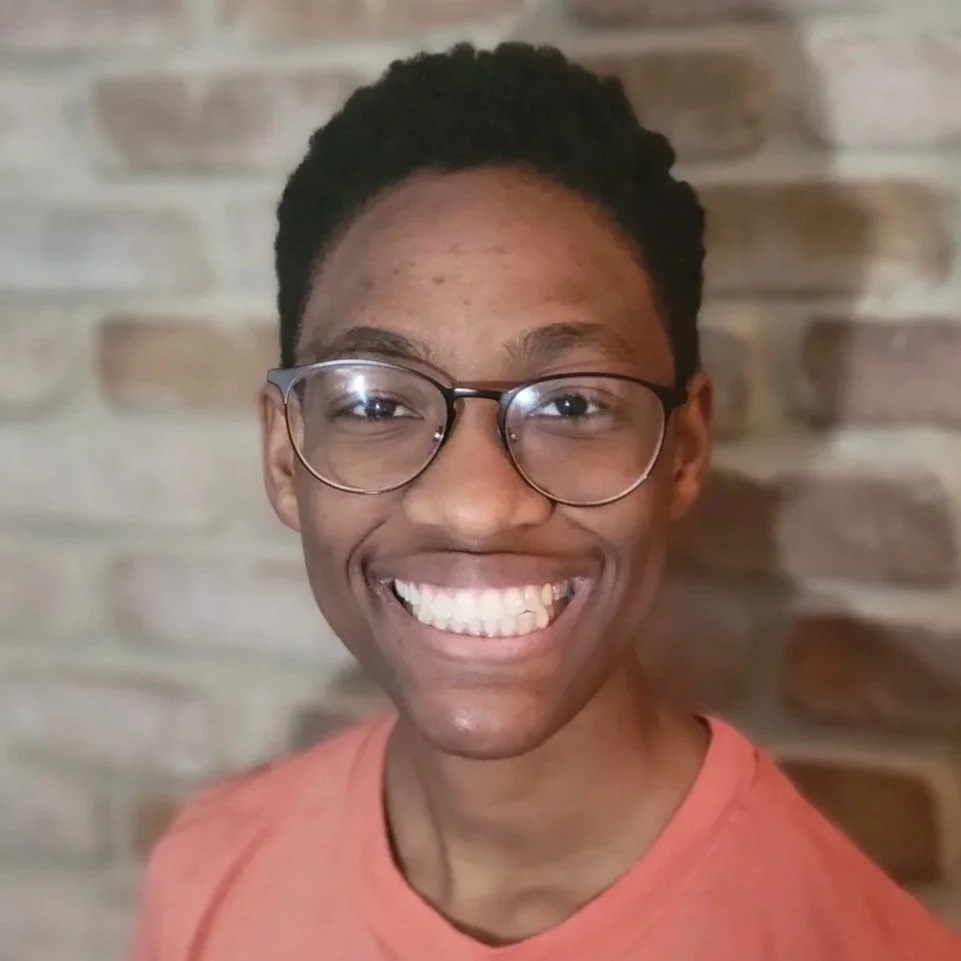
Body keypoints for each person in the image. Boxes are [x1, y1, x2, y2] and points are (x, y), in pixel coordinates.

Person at [131, 42, 961, 960]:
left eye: (570, 402)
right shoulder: (209, 874)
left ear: (683, 449)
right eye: (375, 402)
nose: (477, 506)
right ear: (286, 452)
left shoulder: (845, 939)